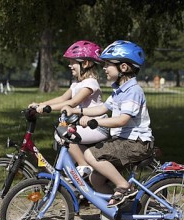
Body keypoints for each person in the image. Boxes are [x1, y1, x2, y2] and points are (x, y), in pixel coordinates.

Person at [61, 40, 154, 207]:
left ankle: (124, 186)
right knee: (95, 179)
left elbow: (122, 120)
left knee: (90, 155)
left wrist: (94, 121)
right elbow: (103, 107)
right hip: (124, 141)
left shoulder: (133, 91)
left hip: (137, 143)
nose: (103, 68)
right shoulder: (119, 90)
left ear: (123, 68)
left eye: (107, 65)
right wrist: (77, 111)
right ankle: (121, 211)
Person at [29, 40, 109, 176]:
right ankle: (80, 180)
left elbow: (72, 102)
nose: (69, 65)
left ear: (85, 63)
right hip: (85, 127)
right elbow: (62, 99)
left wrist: (47, 108)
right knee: (66, 152)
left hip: (97, 126)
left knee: (62, 133)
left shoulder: (90, 83)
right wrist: (41, 104)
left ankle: (84, 167)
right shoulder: (77, 83)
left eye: (73, 62)